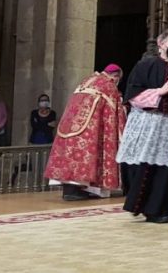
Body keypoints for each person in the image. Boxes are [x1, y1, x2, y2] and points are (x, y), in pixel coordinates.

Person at [118, 30, 168, 223]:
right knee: (142, 164)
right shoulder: (145, 66)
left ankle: (161, 210)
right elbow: (132, 95)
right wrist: (160, 92)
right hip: (147, 121)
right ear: (161, 44)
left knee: (165, 169)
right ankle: (140, 205)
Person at [45, 64, 126, 201]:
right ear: (116, 76)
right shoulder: (109, 85)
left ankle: (70, 191)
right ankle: (86, 190)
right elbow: (113, 116)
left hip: (69, 126)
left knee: (70, 154)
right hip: (90, 129)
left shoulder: (87, 80)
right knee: (87, 153)